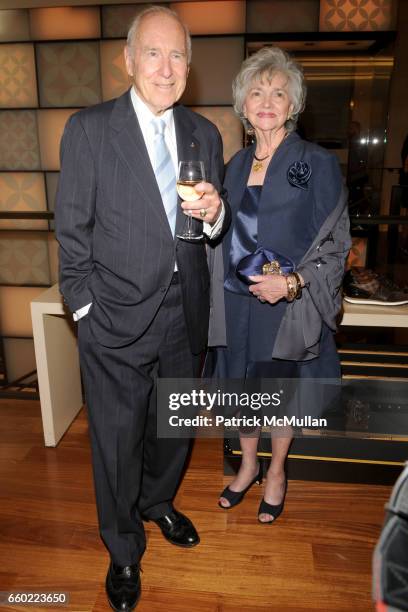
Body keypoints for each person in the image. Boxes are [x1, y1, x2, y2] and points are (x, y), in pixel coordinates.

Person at [55, 7, 229, 611]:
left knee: (174, 429)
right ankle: (123, 549)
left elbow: (215, 220)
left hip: (187, 313)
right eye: (152, 53)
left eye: (178, 54)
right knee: (116, 439)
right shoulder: (88, 129)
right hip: (114, 320)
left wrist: (216, 216)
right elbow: (72, 235)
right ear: (128, 60)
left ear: (189, 65)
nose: (166, 66)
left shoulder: (206, 134)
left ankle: (157, 504)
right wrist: (84, 314)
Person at [208, 47, 351, 524]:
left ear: (294, 104)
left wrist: (290, 284)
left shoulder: (317, 162)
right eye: (256, 92)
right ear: (242, 105)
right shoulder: (233, 164)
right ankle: (248, 465)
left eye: (278, 92)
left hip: (283, 304)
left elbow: (335, 244)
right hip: (236, 301)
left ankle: (277, 472)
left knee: (278, 395)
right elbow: (225, 231)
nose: (266, 101)